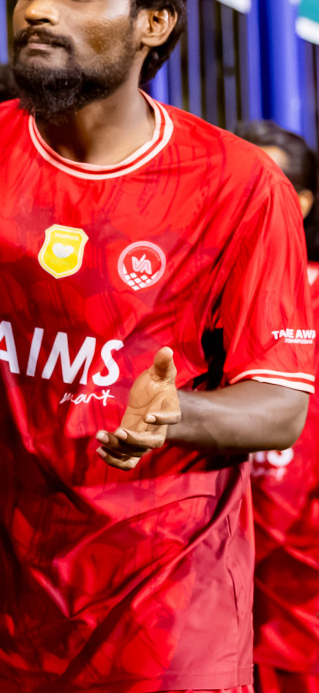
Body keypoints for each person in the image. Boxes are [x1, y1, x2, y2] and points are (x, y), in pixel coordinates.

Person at [0, 0, 314, 693]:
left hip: (167, 623)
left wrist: (181, 415)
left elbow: (279, 405)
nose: (38, 9)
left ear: (154, 23)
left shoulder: (238, 188)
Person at [233, 120, 319, 693]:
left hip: (301, 567)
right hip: (221, 550)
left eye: (270, 183)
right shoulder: (187, 295)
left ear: (305, 201)